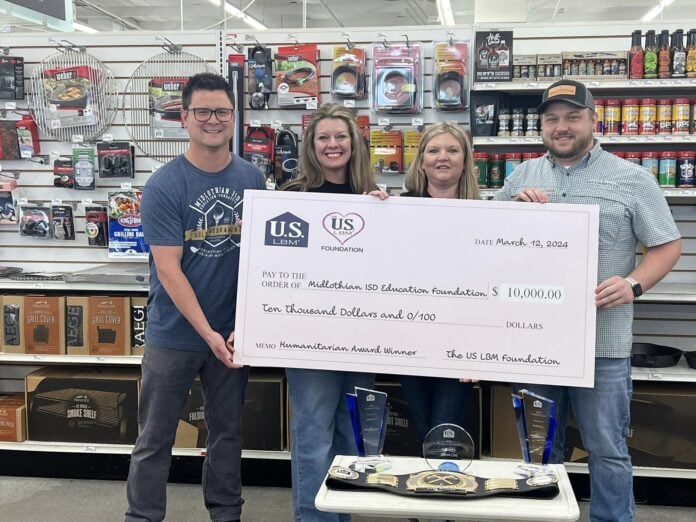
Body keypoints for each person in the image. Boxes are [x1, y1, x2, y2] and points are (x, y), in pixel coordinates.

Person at [494, 79, 681, 522]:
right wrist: (512, 213)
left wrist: (633, 284)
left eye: (572, 117)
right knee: (539, 451)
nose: (561, 127)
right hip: (536, 344)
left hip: (603, 343)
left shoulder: (632, 178)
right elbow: (490, 245)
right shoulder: (520, 177)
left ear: (593, 122)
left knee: (608, 450)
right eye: (552, 119)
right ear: (541, 126)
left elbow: (667, 245)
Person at [125, 73, 265, 522]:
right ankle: (142, 517)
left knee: (227, 434)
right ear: (184, 117)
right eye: (202, 111)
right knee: (155, 437)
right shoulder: (165, 185)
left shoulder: (253, 179)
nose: (213, 120)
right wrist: (208, 334)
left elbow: (263, 262)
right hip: (176, 334)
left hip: (233, 333)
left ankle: (227, 514)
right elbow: (169, 269)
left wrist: (246, 324)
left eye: (221, 111)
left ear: (233, 116)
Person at [283, 102, 384, 522]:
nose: (332, 144)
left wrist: (388, 216)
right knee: (312, 439)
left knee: (351, 439)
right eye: (323, 137)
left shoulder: (374, 199)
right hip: (307, 341)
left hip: (359, 342)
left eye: (340, 137)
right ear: (311, 145)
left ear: (354, 143)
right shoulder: (290, 198)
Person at [399, 121, 478, 445]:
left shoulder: (487, 216)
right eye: (433, 150)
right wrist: (371, 211)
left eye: (452, 150)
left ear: (465, 160)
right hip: (409, 341)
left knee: (445, 436)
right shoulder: (397, 210)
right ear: (421, 160)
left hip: (460, 346)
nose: (442, 157)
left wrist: (482, 349)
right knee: (421, 431)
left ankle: (445, 488)